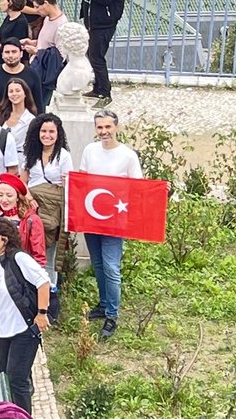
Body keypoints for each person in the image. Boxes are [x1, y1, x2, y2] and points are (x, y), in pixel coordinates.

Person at [0, 218, 51, 411]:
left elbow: (43, 282)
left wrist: (41, 313)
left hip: (23, 330)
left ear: (5, 239)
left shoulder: (19, 259)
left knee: (18, 379)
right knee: (6, 375)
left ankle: (23, 414)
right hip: (4, 332)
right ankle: (10, 412)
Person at [78, 110, 141, 340]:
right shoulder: (89, 150)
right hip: (91, 216)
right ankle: (103, 304)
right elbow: (82, 180)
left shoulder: (128, 156)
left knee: (112, 267)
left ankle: (112, 315)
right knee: (98, 263)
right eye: (99, 127)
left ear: (116, 127)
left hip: (115, 220)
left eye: (107, 127)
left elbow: (138, 188)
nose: (104, 132)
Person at [20, 113, 71, 287]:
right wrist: (28, 197)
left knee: (48, 256)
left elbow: (67, 184)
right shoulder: (31, 154)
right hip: (32, 206)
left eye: (51, 131)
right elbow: (23, 182)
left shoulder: (63, 156)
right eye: (43, 131)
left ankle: (49, 296)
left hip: (52, 210)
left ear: (58, 134)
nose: (47, 135)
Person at [74, 0, 125, 106]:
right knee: (92, 55)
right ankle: (98, 87)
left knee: (97, 57)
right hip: (94, 20)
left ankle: (105, 92)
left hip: (105, 22)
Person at [0, 173, 46, 266]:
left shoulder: (32, 220)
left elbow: (39, 256)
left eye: (9, 195)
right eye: (0, 195)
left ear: (18, 197)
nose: (4, 200)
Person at [0, 39, 44, 112]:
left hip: (26, 120)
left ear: (21, 54)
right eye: (7, 52)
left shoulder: (33, 75)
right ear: (2, 54)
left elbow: (38, 104)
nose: (10, 55)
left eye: (14, 52)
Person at [0, 78, 38, 158]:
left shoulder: (30, 120)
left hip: (20, 159)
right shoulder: (0, 115)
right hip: (0, 159)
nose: (14, 94)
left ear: (25, 93)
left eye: (17, 90)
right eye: (11, 91)